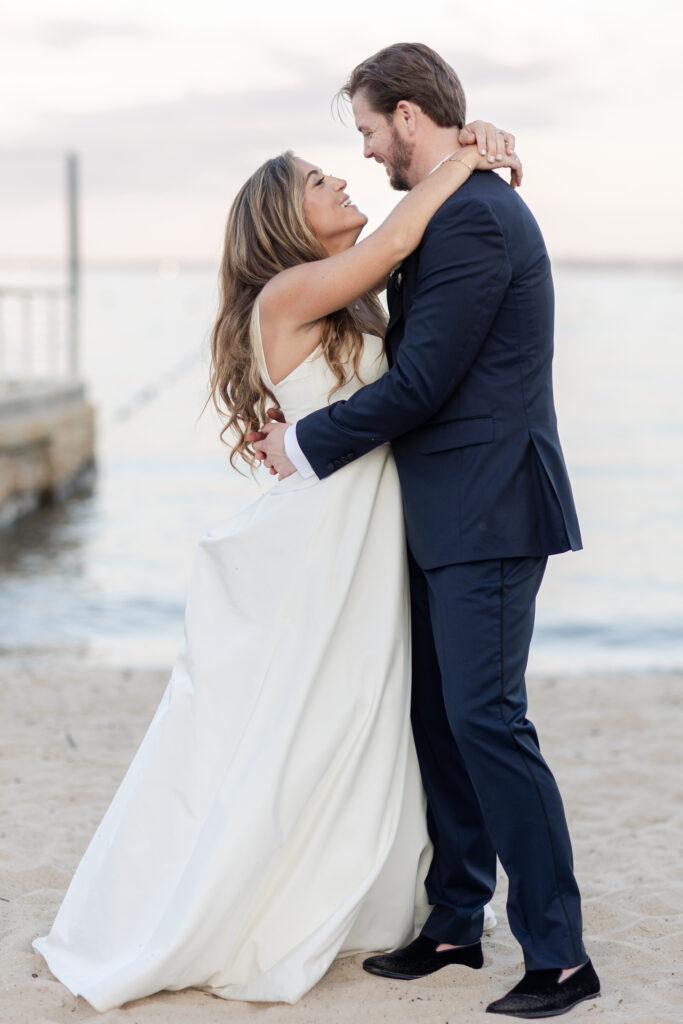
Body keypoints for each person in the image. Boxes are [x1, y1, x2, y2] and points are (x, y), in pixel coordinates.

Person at [31, 119, 519, 1010]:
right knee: (302, 722)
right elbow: (405, 233)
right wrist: (468, 157)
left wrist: (463, 152)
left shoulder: (338, 298)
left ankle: (371, 883)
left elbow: (401, 274)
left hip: (362, 532)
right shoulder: (291, 290)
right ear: (282, 221)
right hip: (323, 539)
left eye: (341, 165)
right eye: (317, 180)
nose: (341, 180)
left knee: (355, 719)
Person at [255, 43, 601, 1019]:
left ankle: (562, 957)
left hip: (488, 509)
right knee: (436, 722)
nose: (364, 151)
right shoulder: (444, 211)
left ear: (408, 116)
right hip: (436, 511)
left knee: (487, 722)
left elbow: (421, 385)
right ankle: (454, 921)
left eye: (366, 129)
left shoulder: (477, 222)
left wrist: (302, 443)